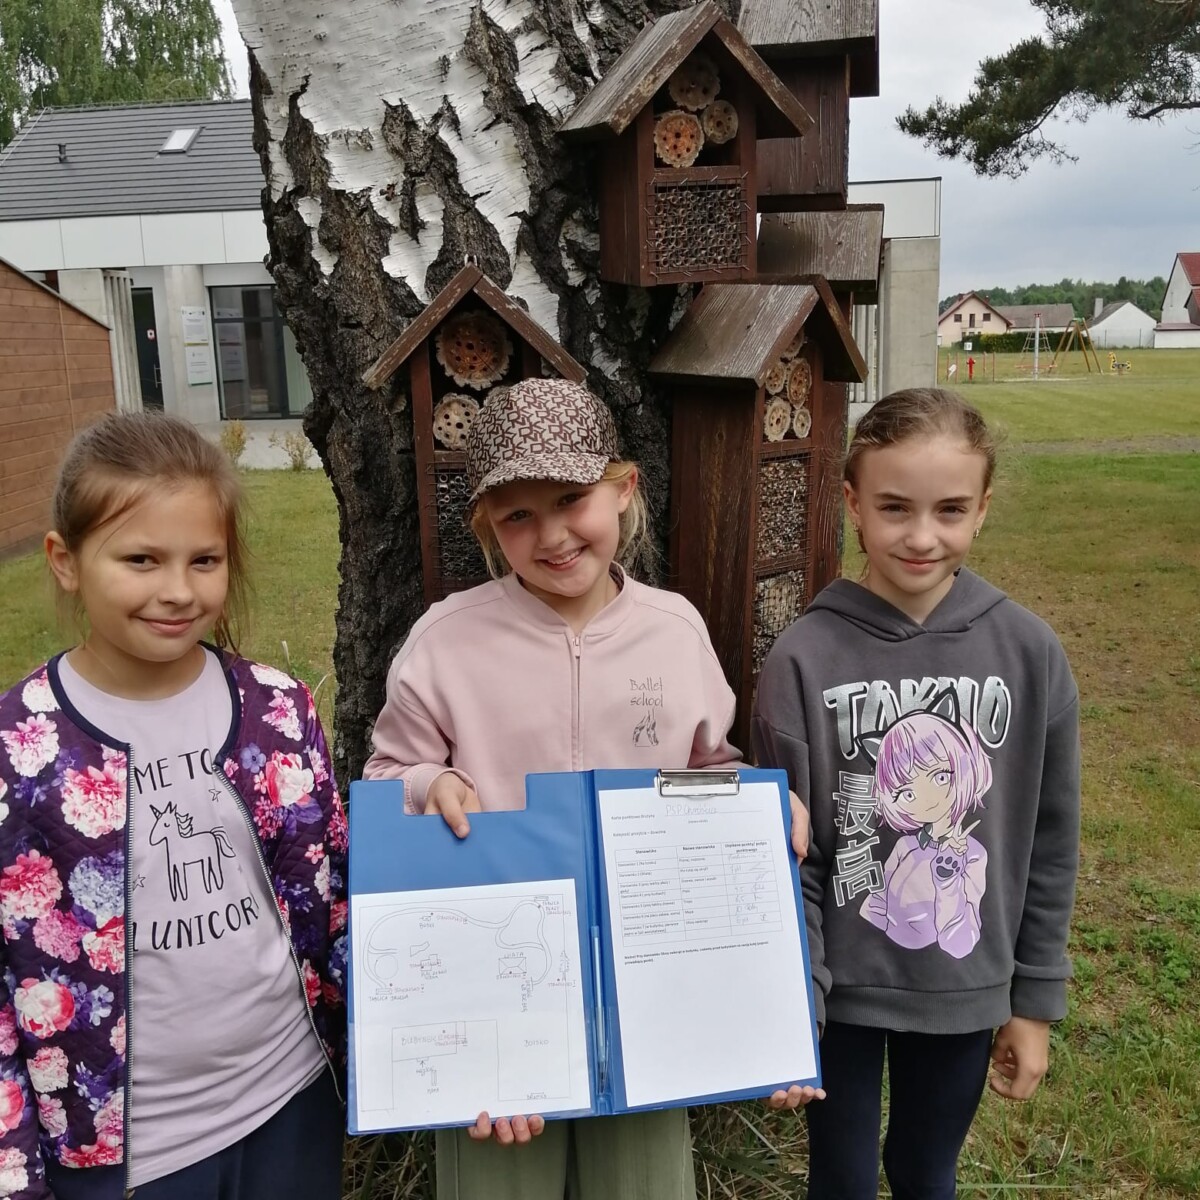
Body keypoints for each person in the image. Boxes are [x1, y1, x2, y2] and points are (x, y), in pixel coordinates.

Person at [363, 378, 814, 1200]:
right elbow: (387, 776)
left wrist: (753, 804)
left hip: (650, 988)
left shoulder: (674, 630)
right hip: (495, 986)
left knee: (643, 1182)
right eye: (517, 516)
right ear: (487, 527)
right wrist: (431, 783)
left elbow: (705, 767)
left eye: (572, 499)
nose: (552, 535)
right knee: (499, 1183)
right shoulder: (446, 641)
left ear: (624, 489)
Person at [0, 412, 348, 1200]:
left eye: (204, 560)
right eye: (141, 559)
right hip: (128, 1156)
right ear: (65, 560)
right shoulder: (19, 752)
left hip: (291, 1101)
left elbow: (334, 897)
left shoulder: (278, 710)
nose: (179, 591)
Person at [753, 388, 1080, 1200]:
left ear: (983, 508)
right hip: (840, 996)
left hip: (965, 990)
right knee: (841, 1178)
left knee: (927, 1173)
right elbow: (787, 854)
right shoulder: (802, 659)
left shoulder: (1030, 653)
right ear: (852, 503)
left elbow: (1049, 841)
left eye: (950, 509)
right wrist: (797, 1001)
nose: (922, 536)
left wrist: (1033, 1003)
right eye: (895, 507)